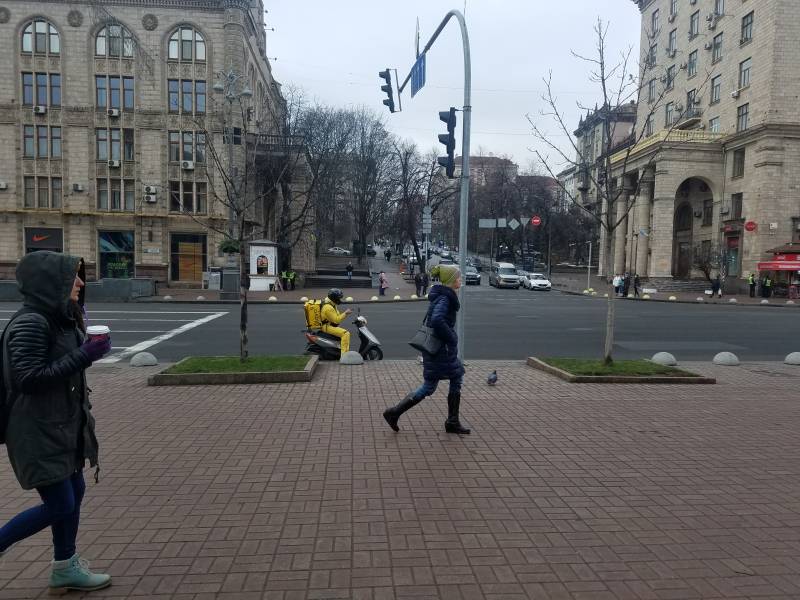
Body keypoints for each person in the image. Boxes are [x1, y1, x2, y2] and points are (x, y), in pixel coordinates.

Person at [0, 251, 112, 594]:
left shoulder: (60, 317)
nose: (79, 283)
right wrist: (84, 355)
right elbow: (27, 379)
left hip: (63, 424)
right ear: (51, 283)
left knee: (74, 492)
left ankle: (65, 567)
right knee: (61, 503)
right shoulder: (31, 322)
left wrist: (88, 351)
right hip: (37, 429)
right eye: (73, 278)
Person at [383, 264, 469, 435]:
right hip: (440, 350)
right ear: (451, 281)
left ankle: (452, 421)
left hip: (439, 350)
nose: (461, 280)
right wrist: (451, 337)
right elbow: (437, 320)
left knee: (454, 377)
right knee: (432, 385)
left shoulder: (443, 296)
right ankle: (394, 412)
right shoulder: (445, 298)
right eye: (458, 277)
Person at [320, 288, 352, 355]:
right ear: (334, 298)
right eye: (339, 298)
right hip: (327, 327)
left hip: (329, 325)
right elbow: (336, 321)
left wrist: (344, 314)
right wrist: (345, 313)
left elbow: (336, 316)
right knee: (346, 333)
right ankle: (344, 355)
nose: (340, 300)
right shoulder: (328, 307)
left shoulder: (332, 304)